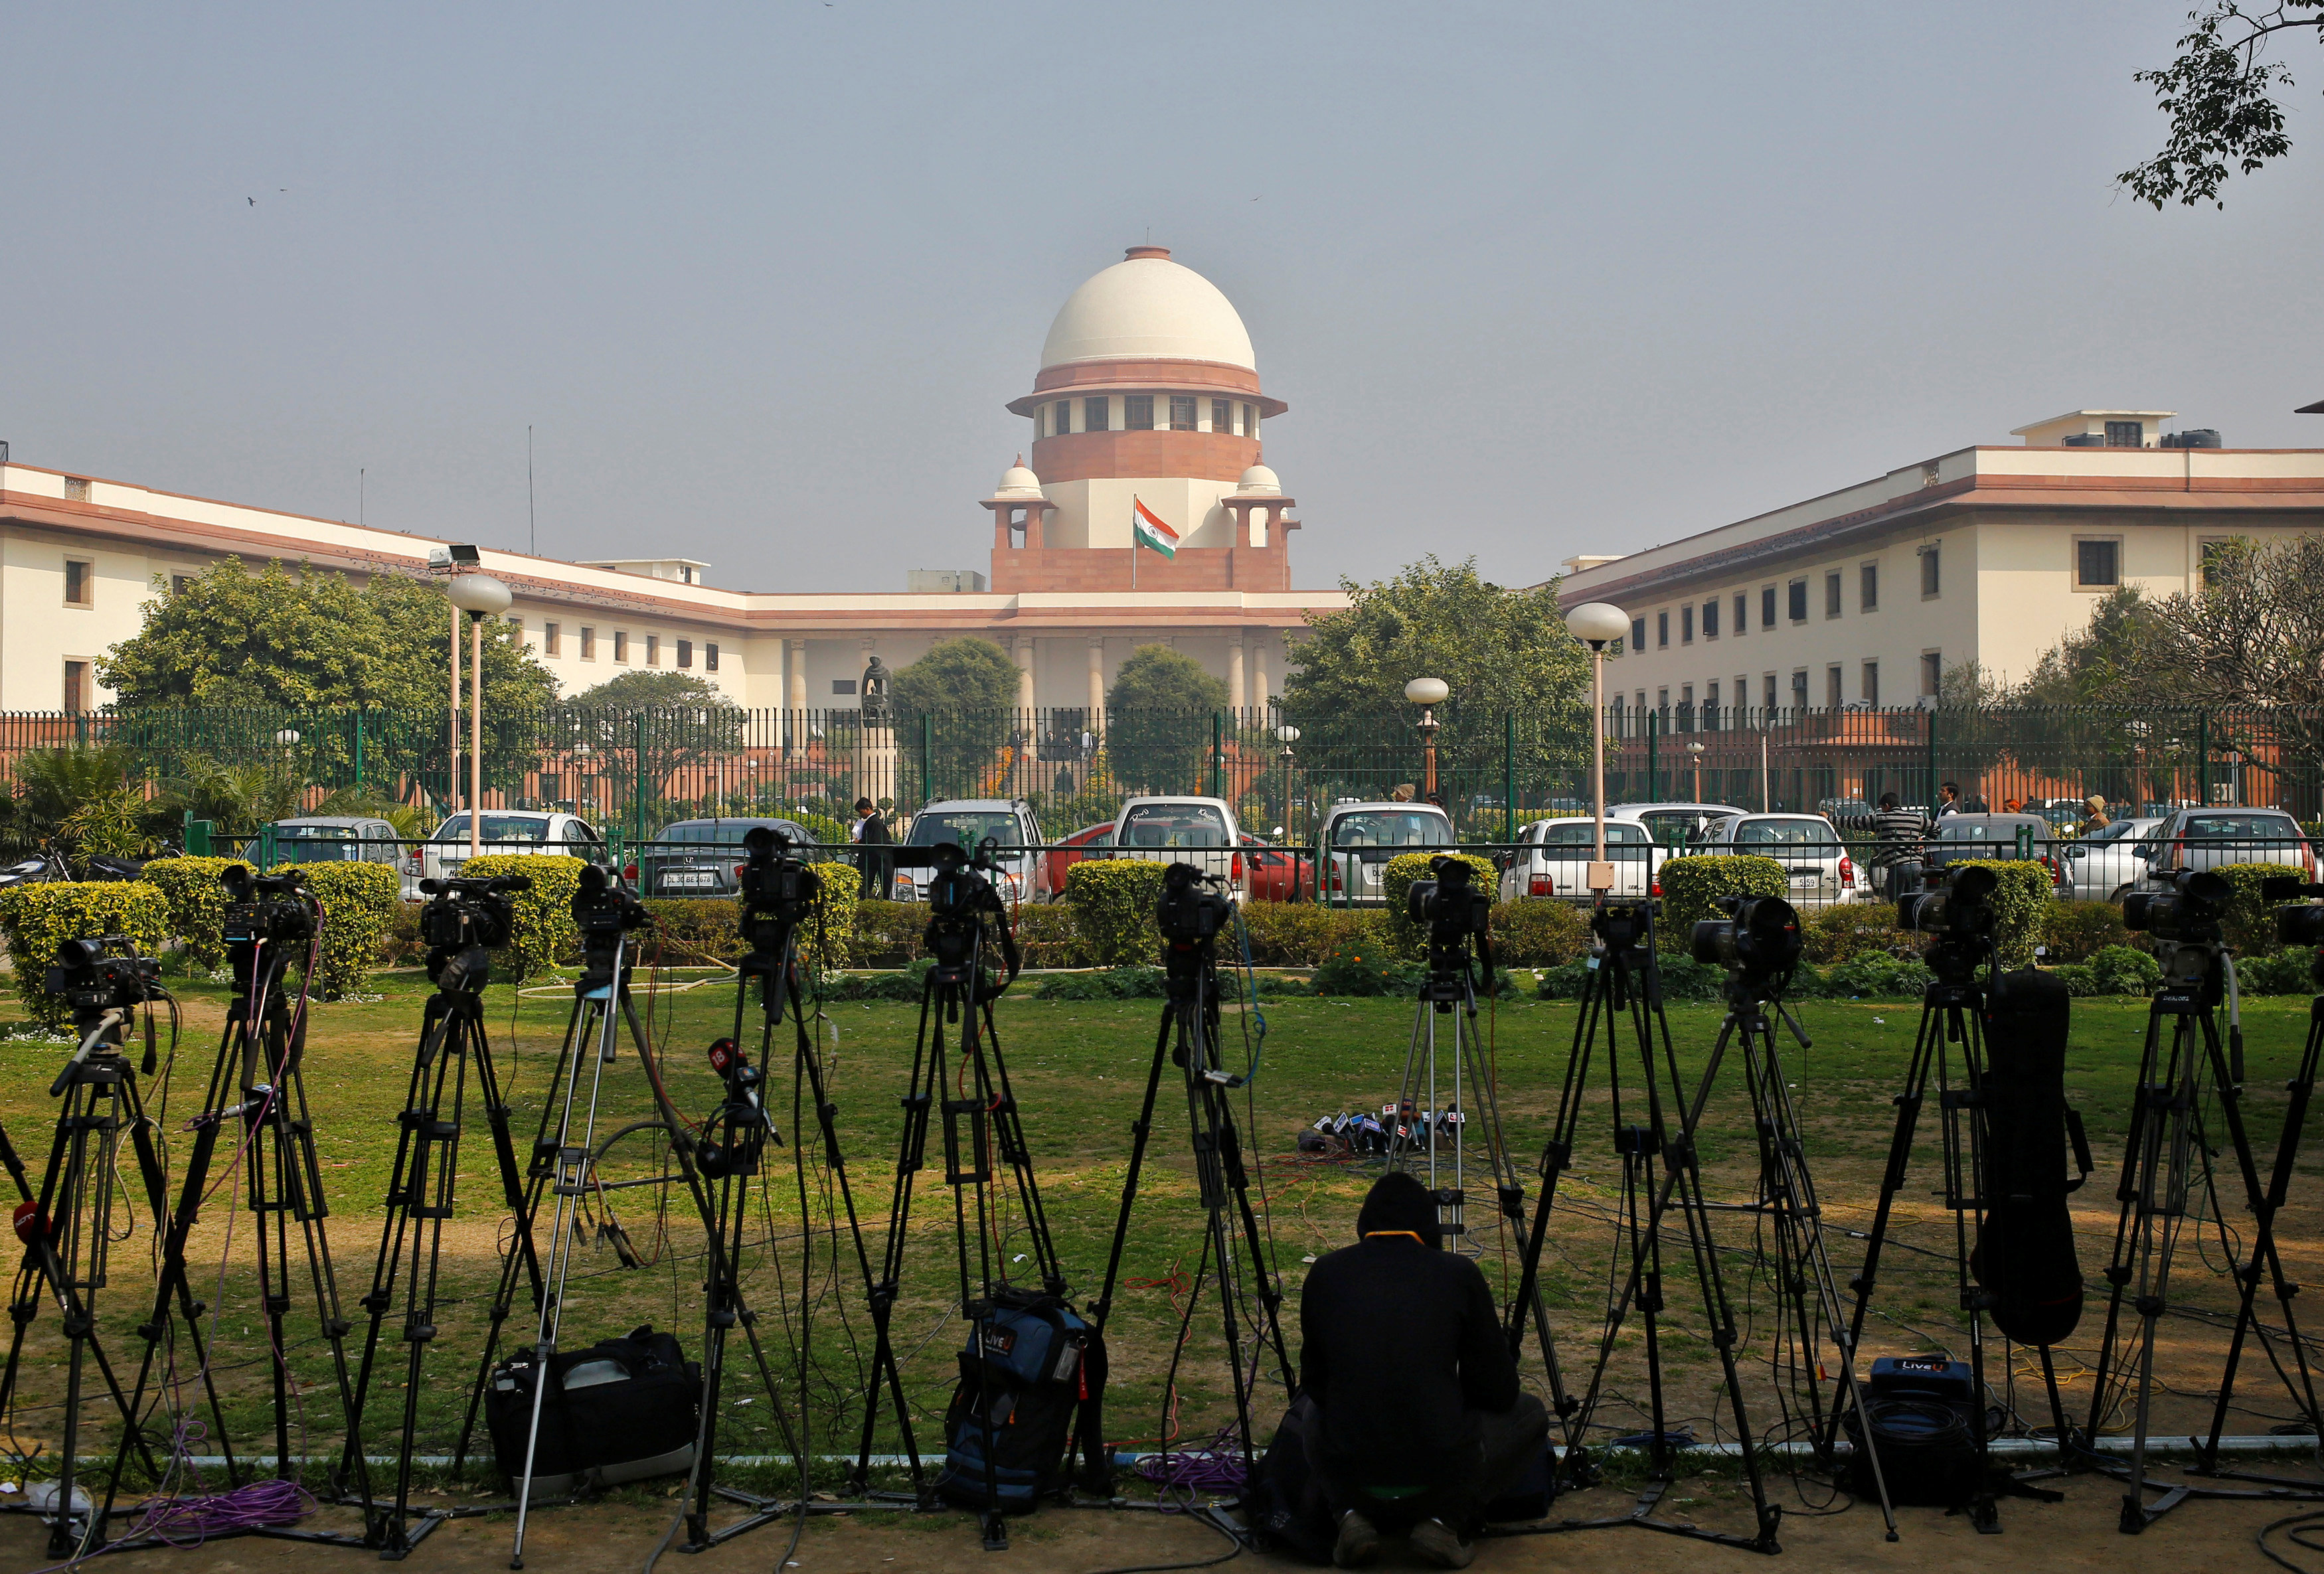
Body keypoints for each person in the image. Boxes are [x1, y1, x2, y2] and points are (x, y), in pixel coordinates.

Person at [1299, 1172, 1548, 1569]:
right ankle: (1444, 1522)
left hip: (1355, 1475)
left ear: (1364, 1225)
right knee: (1531, 1412)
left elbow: (1314, 1383)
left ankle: (1348, 1516)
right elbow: (1499, 1391)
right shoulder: (1459, 1273)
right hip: (1439, 1480)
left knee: (1309, 1410)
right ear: (1429, 1226)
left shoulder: (1326, 1272)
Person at [1869, 791, 1929, 897]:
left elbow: (1853, 821)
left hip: (1898, 867)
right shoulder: (1915, 818)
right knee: (1915, 902)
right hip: (1917, 866)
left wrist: (1830, 818)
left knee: (1898, 904)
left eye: (1882, 808)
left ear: (1887, 806)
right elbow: (1936, 827)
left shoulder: (1881, 820)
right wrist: (1924, 842)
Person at [851, 795, 892, 900]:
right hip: (876, 859)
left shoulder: (874, 823)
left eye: (861, 812)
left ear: (867, 809)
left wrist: (859, 841)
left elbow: (875, 841)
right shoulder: (873, 822)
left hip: (876, 859)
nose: (861, 815)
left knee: (870, 886)